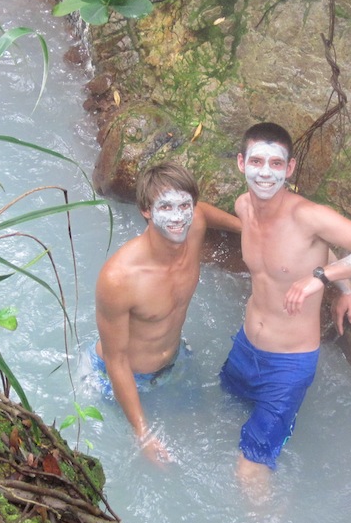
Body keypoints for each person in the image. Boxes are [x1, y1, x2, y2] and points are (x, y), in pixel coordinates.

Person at [220, 122, 351, 489]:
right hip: (245, 347)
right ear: (241, 163)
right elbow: (313, 249)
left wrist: (324, 278)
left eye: (275, 163)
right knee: (225, 405)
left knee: (251, 469)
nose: (265, 173)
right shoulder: (243, 207)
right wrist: (346, 288)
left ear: (289, 169)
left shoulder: (309, 216)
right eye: (256, 161)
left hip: (288, 364)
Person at [94, 161, 241, 464]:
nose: (177, 218)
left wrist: (251, 228)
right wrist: (143, 434)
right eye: (165, 207)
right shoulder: (120, 279)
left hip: (175, 363)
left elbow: (205, 212)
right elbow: (115, 360)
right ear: (146, 210)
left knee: (204, 442)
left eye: (184, 206)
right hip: (123, 377)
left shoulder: (195, 225)